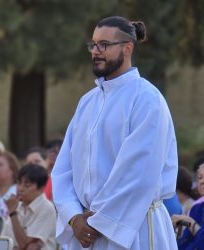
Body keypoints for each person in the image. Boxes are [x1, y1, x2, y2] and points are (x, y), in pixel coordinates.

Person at [51, 16, 178, 249]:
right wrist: (73, 216)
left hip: (134, 227)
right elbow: (64, 169)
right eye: (93, 44)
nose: (96, 51)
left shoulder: (147, 99)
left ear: (127, 48)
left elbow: (138, 173)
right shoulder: (87, 102)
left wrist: (98, 220)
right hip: (86, 232)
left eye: (104, 45)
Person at [2, 164, 57, 250]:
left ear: (41, 188)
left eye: (27, 185)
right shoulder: (17, 205)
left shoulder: (46, 208)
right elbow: (4, 241)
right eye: (19, 183)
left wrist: (13, 213)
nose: (20, 188)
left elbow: (24, 245)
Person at [171, 164, 204, 249]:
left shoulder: (192, 205)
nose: (202, 181)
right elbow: (186, 239)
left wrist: (188, 221)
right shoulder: (196, 208)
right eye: (200, 177)